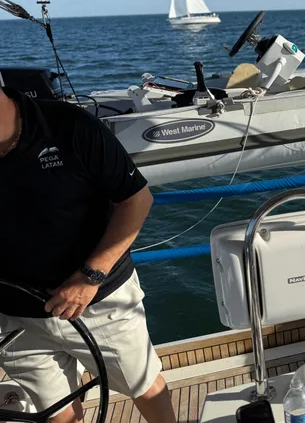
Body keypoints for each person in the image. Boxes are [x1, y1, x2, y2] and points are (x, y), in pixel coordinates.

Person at [0, 86, 175, 423]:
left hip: (98, 301)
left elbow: (137, 200)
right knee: (57, 413)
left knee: (143, 385)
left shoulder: (71, 126)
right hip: (13, 316)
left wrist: (90, 275)